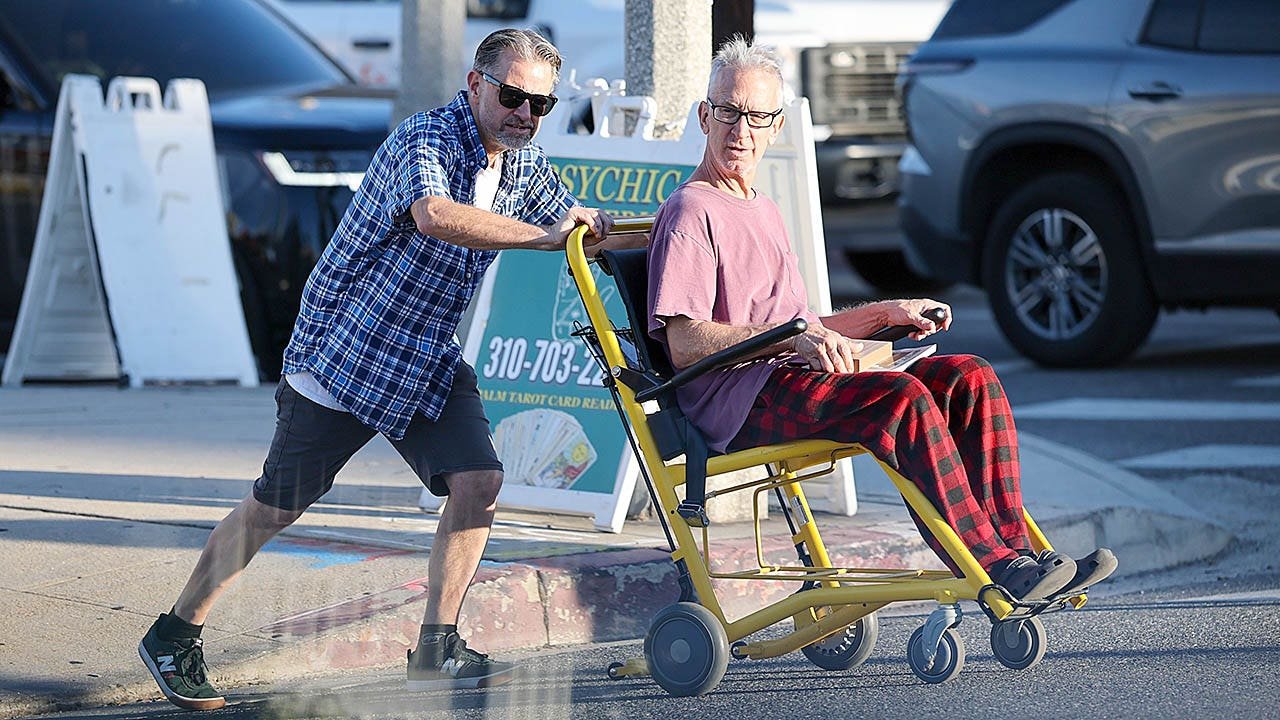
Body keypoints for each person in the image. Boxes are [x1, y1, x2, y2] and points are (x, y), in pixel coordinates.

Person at [139, 29, 627, 711]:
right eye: (513, 96)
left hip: (424, 357)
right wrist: (544, 236)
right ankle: (174, 634)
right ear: (475, 84)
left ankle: (438, 648)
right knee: (276, 506)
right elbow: (436, 215)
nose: (525, 113)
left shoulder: (524, 162)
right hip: (346, 353)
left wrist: (628, 227)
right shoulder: (424, 139)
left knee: (479, 481)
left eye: (540, 104)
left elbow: (568, 220)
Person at [646, 37, 1117, 607]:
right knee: (901, 400)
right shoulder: (692, 210)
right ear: (705, 116)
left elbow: (799, 324)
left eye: (757, 116)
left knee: (969, 376)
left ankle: (1022, 554)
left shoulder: (760, 206)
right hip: (737, 399)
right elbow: (684, 342)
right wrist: (797, 338)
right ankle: (994, 567)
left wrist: (885, 314)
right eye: (728, 112)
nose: (740, 130)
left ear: (776, 126)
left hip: (786, 375)